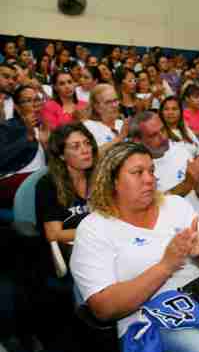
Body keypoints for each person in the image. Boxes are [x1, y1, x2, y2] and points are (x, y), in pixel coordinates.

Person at [70, 142, 199, 352]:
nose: (149, 179)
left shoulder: (175, 205)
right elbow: (103, 307)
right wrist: (166, 265)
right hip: (150, 326)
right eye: (137, 173)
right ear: (113, 181)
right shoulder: (94, 228)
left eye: (152, 171)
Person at [129, 111, 199, 219]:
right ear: (138, 141)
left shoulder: (180, 150)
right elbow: (154, 207)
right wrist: (187, 183)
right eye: (153, 135)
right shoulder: (134, 171)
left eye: (163, 130)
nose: (163, 137)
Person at [35, 123, 96, 260]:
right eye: (76, 146)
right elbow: (54, 234)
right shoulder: (48, 184)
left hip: (101, 243)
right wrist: (97, 231)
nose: (85, 150)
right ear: (61, 155)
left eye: (87, 143)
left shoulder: (98, 176)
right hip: (71, 250)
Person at [0, 84, 48, 209]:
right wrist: (28, 138)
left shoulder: (46, 127)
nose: (34, 104)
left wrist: (47, 145)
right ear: (17, 107)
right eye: (28, 100)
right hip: (15, 183)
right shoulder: (8, 127)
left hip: (42, 181)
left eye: (37, 99)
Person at [82, 84, 128, 149]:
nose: (114, 105)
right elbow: (92, 155)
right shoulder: (88, 127)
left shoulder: (121, 123)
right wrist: (119, 138)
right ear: (97, 107)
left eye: (115, 100)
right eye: (108, 102)